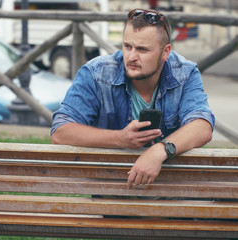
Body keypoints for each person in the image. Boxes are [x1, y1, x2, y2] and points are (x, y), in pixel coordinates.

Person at [51, 8, 215, 189]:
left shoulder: (185, 72)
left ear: (165, 52)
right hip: (114, 190)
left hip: (169, 190)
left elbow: (202, 126)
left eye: (142, 50)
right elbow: (61, 132)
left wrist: (160, 150)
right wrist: (120, 139)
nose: (131, 56)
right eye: (127, 46)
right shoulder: (97, 72)